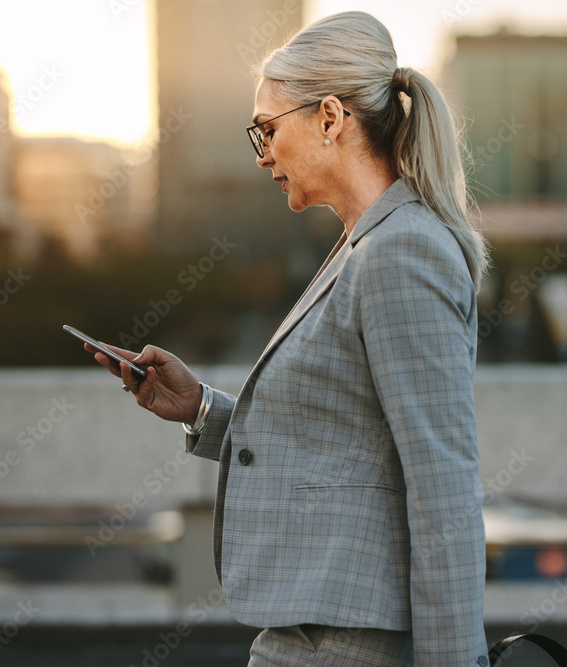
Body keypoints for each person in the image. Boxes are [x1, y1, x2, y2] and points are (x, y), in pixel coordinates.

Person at [87, 11, 490, 666]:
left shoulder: (400, 253)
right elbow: (340, 437)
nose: (263, 152)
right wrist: (202, 409)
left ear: (331, 117)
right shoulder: (363, 245)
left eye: (268, 129)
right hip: (313, 633)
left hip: (345, 641)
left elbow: (442, 481)